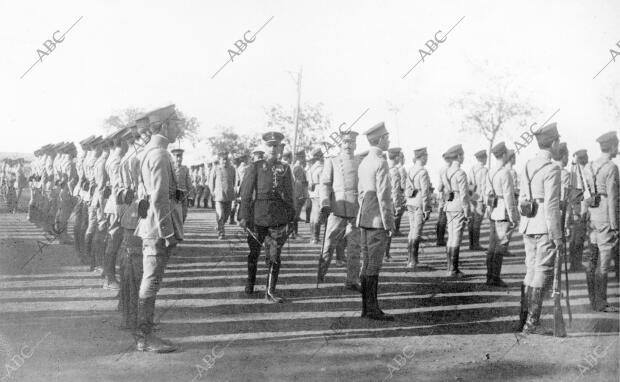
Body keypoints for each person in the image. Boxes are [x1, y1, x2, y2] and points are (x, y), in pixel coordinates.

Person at [134, 105, 184, 352]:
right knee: (151, 281)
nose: (179, 128)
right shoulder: (160, 154)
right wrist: (168, 233)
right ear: (164, 126)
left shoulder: (150, 151)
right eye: (176, 124)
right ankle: (144, 337)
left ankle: (146, 332)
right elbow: (159, 199)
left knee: (150, 280)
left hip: (151, 225)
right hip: (157, 228)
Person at [238, 131, 295, 303]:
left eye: (276, 145)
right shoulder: (255, 167)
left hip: (277, 217)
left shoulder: (285, 168)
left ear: (280, 148)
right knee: (253, 253)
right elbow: (246, 193)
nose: (273, 148)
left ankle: (270, 291)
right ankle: (250, 282)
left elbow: (290, 194)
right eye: (270, 145)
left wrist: (292, 216)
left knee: (274, 255)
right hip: (257, 217)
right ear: (264, 147)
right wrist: (243, 216)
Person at [517, 123, 563, 334]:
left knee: (531, 269)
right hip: (544, 225)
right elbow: (552, 206)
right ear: (553, 143)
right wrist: (558, 235)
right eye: (558, 141)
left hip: (528, 223)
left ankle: (524, 320)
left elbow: (523, 198)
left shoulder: (527, 164)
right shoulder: (553, 168)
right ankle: (531, 324)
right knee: (542, 272)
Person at [357, 122, 394, 321]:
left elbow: (361, 193)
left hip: (364, 218)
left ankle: (367, 308)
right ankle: (372, 309)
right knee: (373, 266)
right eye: (387, 138)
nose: (389, 140)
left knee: (366, 264)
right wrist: (389, 223)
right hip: (378, 221)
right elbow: (384, 196)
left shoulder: (364, 162)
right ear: (380, 140)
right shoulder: (381, 162)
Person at [317, 131, 362, 291]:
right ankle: (321, 275)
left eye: (351, 142)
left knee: (354, 248)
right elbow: (325, 184)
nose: (348, 145)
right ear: (340, 144)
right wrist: (324, 202)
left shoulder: (360, 162)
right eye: (345, 142)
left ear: (356, 145)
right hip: (336, 209)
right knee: (328, 244)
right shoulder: (332, 161)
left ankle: (352, 280)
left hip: (355, 210)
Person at [582, 131, 619, 313]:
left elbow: (586, 194)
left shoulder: (588, 166)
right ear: (612, 146)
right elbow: (612, 198)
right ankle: (601, 302)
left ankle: (593, 300)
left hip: (592, 215)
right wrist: (615, 225)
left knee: (592, 259)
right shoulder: (611, 167)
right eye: (617, 145)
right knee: (603, 262)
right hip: (605, 215)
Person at [118, 124, 144, 331]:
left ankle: (129, 314)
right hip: (137, 216)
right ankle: (134, 319)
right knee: (137, 272)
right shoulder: (137, 158)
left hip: (131, 215)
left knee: (131, 270)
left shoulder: (131, 157)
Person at [485, 142, 519, 287]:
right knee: (500, 245)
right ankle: (495, 277)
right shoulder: (505, 173)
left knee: (492, 246)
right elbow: (509, 197)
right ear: (504, 154)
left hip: (493, 210)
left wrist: (488, 210)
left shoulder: (491, 171)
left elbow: (486, 193)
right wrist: (514, 217)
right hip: (503, 211)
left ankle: (489, 276)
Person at [102, 128, 129, 290]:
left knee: (113, 240)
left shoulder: (113, 157)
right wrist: (121, 210)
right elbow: (118, 188)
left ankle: (108, 276)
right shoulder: (118, 160)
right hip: (118, 205)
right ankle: (110, 278)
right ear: (123, 142)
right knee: (114, 241)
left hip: (114, 204)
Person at [441, 144, 470, 277]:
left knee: (451, 236)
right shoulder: (460, 173)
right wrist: (467, 212)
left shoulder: (446, 171)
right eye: (462, 155)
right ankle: (453, 270)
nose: (463, 157)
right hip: (458, 205)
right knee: (456, 237)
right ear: (458, 156)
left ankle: (449, 268)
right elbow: (464, 195)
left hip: (449, 205)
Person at [405, 147, 432, 270]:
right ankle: (413, 261)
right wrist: (427, 208)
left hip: (410, 202)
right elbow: (426, 192)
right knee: (417, 232)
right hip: (419, 202)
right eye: (426, 156)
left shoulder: (410, 170)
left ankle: (410, 259)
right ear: (422, 157)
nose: (427, 159)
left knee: (411, 230)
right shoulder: (423, 172)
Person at [569, 149, 589, 272]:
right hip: (579, 204)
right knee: (578, 236)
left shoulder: (574, 169)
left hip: (575, 203)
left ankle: (574, 262)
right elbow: (584, 192)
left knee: (575, 236)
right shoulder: (581, 171)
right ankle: (576, 264)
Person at [211, 151, 236, 239]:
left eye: (226, 159)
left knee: (227, 214)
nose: (225, 161)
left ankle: (219, 225)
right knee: (221, 214)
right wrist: (212, 192)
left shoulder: (232, 169)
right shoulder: (216, 169)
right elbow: (211, 182)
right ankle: (221, 233)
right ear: (220, 160)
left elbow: (234, 181)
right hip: (219, 195)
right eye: (223, 160)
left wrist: (234, 191)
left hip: (229, 195)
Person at [468, 149, 488, 251]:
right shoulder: (484, 170)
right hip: (480, 198)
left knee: (471, 221)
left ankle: (471, 243)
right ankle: (476, 244)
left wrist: (472, 196)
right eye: (486, 158)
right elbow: (484, 186)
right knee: (477, 222)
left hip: (473, 197)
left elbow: (470, 184)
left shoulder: (472, 168)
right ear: (483, 158)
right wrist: (485, 201)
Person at [388, 148, 405, 241]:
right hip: (392, 201)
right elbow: (395, 190)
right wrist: (398, 205)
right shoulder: (395, 171)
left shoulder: (385, 167)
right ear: (397, 157)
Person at [308, 148, 325, 244]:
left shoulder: (313, 167)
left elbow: (310, 184)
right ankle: (315, 237)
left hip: (313, 193)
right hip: (320, 192)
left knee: (313, 215)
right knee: (317, 215)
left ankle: (313, 237)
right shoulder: (321, 167)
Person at [171, 149, 192, 223]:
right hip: (174, 194)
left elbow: (188, 181)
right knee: (175, 214)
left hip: (183, 193)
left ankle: (180, 228)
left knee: (184, 214)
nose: (179, 159)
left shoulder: (185, 169)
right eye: (177, 157)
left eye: (180, 157)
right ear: (173, 157)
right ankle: (177, 231)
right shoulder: (171, 168)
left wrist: (190, 195)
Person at [291, 150, 308, 239]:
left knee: (296, 214)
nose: (304, 159)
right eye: (303, 157)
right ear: (300, 158)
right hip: (297, 193)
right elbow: (296, 181)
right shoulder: (297, 168)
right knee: (295, 214)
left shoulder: (299, 167)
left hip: (299, 192)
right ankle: (294, 233)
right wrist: (299, 194)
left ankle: (294, 233)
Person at [435, 154, 451, 246]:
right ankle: (440, 240)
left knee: (441, 217)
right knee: (443, 218)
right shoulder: (447, 170)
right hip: (447, 195)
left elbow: (439, 186)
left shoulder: (442, 169)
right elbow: (444, 185)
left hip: (442, 195)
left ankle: (439, 239)